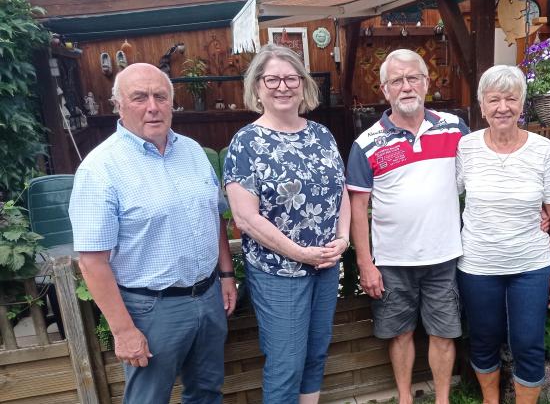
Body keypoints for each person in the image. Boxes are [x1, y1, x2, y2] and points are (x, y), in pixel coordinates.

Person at [69, 63, 237, 403]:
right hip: (151, 309)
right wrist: (123, 330)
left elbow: (215, 216)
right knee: (148, 399)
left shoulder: (193, 152)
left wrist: (226, 274)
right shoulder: (100, 169)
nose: (152, 107)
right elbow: (92, 261)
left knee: (207, 392)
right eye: (139, 97)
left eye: (160, 96)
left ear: (172, 103)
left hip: (208, 297)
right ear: (118, 105)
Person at [223, 44, 350, 404]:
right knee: (286, 364)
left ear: (303, 84)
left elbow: (340, 191)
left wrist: (342, 238)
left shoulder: (321, 135)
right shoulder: (246, 143)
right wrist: (300, 253)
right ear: (257, 86)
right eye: (272, 79)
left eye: (291, 78)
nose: (283, 87)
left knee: (315, 353)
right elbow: (246, 218)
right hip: (278, 273)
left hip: (325, 266)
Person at [346, 49, 469, 404]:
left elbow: (481, 175)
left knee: (443, 334)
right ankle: (405, 398)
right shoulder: (366, 143)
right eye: (397, 80)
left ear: (426, 82)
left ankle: (442, 399)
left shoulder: (454, 128)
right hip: (393, 261)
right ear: (385, 90)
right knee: (399, 334)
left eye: (413, 77)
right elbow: (358, 209)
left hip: (444, 255)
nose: (406, 86)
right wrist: (366, 264)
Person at [456, 65, 550, 404]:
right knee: (483, 339)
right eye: (494, 100)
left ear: (522, 105)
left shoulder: (543, 150)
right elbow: (446, 197)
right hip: (478, 265)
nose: (502, 107)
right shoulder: (466, 147)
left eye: (511, 99)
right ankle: (490, 401)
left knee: (528, 343)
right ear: (482, 106)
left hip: (531, 266)